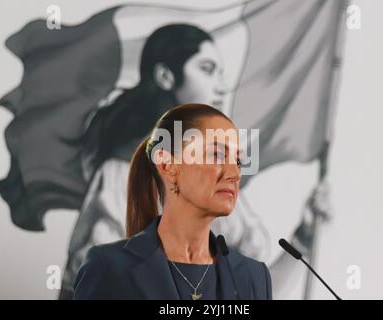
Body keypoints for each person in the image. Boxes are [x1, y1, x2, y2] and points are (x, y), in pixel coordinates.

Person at [59, 23, 272, 299]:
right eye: (207, 69)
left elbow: (250, 259)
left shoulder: (217, 175)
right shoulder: (122, 172)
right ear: (165, 76)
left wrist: (303, 235)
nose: (221, 86)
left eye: (221, 72)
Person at [73, 103, 272, 300]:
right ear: (168, 165)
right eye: (217, 155)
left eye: (237, 161)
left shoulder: (254, 277)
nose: (235, 173)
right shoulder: (108, 269)